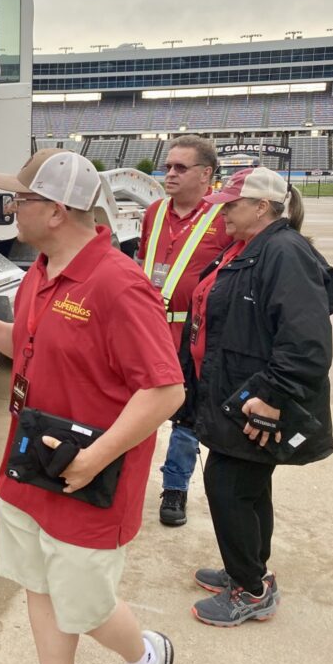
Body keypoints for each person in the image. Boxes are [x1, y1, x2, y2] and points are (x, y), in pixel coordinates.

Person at [0, 148, 182, 664]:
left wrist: (94, 458)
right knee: (40, 586)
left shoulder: (119, 285)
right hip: (31, 467)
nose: (10, 208)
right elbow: (28, 346)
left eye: (20, 199)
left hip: (87, 479)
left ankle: (146, 655)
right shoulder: (42, 273)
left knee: (88, 605)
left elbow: (165, 391)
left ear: (55, 211)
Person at [177, 167, 333, 626]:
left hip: (253, 399)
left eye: (232, 204)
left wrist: (271, 396)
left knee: (228, 488)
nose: (223, 212)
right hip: (234, 392)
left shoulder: (284, 252)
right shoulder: (249, 247)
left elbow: (306, 342)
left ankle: (249, 590)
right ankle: (249, 572)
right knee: (248, 488)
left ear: (262, 207)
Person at [136, 136, 231, 527]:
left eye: (180, 168)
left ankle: (175, 488)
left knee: (187, 417)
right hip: (144, 331)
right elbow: (142, 260)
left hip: (192, 337)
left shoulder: (224, 216)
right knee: (131, 408)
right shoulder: (154, 211)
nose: (169, 174)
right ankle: (121, 472)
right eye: (168, 166)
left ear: (205, 174)